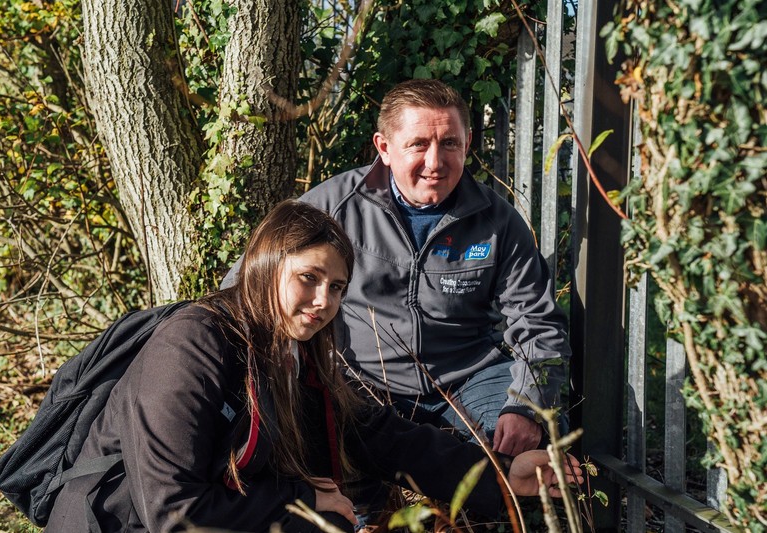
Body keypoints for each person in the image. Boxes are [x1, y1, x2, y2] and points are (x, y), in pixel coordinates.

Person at [46, 200, 582, 532]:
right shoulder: (191, 345)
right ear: (266, 265)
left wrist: (499, 476)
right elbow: (171, 511)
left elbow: (383, 436)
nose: (323, 301)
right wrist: (305, 500)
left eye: (337, 287)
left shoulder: (295, 353)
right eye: (308, 278)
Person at [221, 80, 572, 458]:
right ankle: (369, 514)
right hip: (359, 381)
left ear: (467, 144)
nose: (435, 162)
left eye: (449, 143)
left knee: (534, 438)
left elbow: (537, 323)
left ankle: (483, 515)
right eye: (418, 144)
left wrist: (526, 406)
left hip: (467, 376)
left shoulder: (498, 221)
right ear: (384, 148)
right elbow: (247, 283)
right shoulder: (333, 207)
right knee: (322, 446)